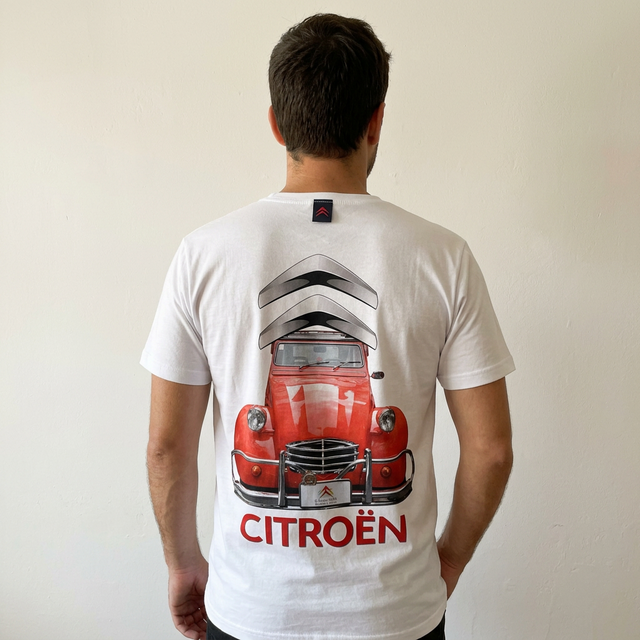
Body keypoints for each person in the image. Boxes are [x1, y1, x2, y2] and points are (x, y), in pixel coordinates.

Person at [143, 13, 514, 640]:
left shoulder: (204, 254)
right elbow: (491, 448)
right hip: (397, 614)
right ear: (376, 121)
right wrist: (447, 563)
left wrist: (183, 567)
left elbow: (166, 445)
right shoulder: (442, 257)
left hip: (252, 611)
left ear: (276, 123)